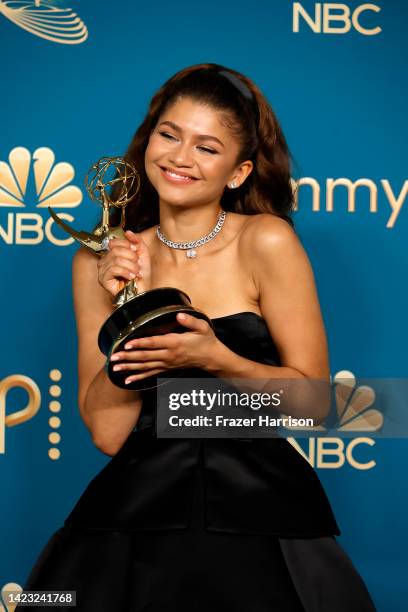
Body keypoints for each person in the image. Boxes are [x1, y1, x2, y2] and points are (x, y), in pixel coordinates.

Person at [16, 63, 377, 611]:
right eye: (169, 134)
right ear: (148, 142)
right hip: (134, 520)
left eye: (207, 147)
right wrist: (127, 305)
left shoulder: (266, 242)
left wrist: (214, 357)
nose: (180, 158)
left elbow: (315, 405)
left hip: (262, 515)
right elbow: (111, 436)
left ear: (238, 172)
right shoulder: (99, 259)